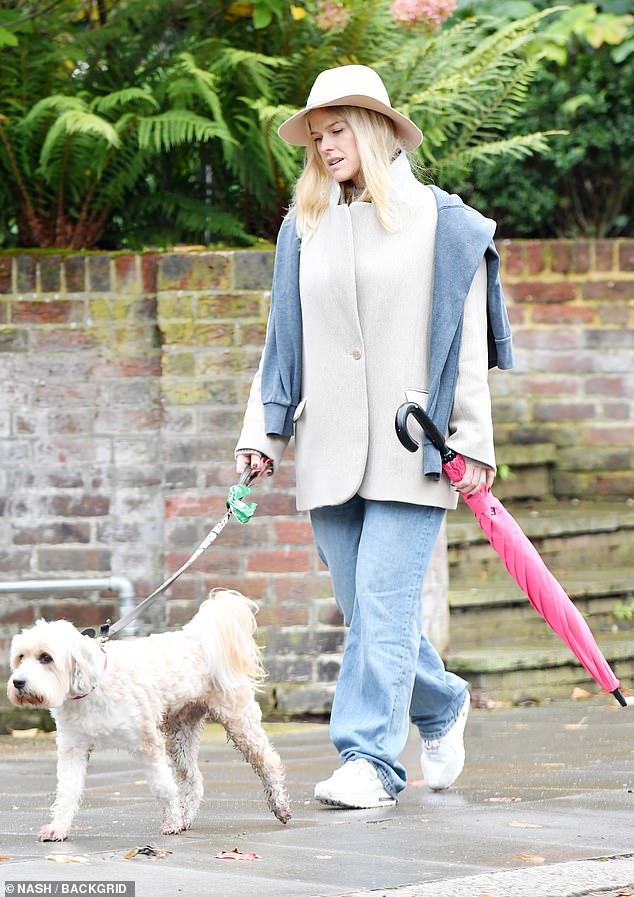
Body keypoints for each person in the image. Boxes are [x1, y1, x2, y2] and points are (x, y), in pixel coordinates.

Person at [235, 64, 514, 809]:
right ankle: (442, 701)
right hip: (326, 447)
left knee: (383, 610)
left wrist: (473, 443)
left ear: (377, 128)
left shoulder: (442, 222)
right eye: (317, 136)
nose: (326, 146)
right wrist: (262, 432)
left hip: (412, 444)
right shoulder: (304, 227)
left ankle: (369, 760)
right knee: (368, 614)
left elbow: (463, 343)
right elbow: (279, 346)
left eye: (339, 131)